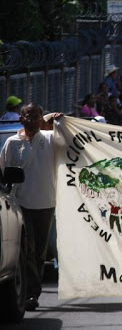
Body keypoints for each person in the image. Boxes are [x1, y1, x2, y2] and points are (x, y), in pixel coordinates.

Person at [0, 103, 62, 311]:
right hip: (19, 206)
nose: (33, 120)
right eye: (29, 116)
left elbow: (70, 137)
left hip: (45, 204)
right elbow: (4, 172)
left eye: (37, 116)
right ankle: (30, 294)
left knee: (38, 254)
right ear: (21, 119)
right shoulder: (11, 142)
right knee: (26, 251)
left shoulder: (51, 139)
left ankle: (31, 291)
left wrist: (56, 117)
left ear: (41, 119)